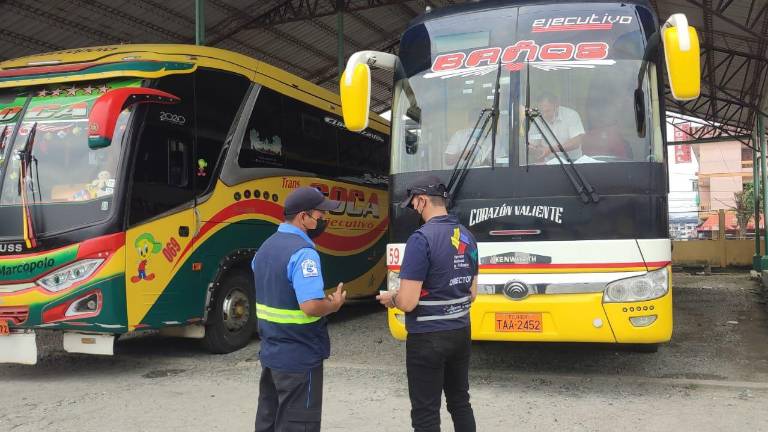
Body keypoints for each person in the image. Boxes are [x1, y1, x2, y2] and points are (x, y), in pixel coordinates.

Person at [377, 175, 478, 432]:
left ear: (422, 200)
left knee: (426, 413)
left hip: (428, 337)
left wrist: (393, 298)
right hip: (460, 331)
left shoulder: (420, 239)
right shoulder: (467, 236)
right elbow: (472, 293)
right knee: (460, 401)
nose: (413, 209)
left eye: (413, 204)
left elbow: (408, 302)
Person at [252, 186, 347, 432]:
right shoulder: (304, 254)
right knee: (298, 425)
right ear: (303, 217)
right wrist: (333, 304)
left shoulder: (265, 247)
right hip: (299, 359)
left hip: (271, 355)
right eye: (320, 215)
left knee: (269, 422)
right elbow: (310, 305)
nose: (324, 220)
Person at [528, 92, 599, 164]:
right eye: (541, 111)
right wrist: (533, 149)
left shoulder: (571, 115)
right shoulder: (537, 121)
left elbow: (576, 142)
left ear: (556, 105)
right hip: (549, 162)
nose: (544, 115)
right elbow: (533, 142)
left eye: (547, 111)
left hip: (573, 162)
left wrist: (550, 149)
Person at [444, 109, 510, 168]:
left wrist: (488, 162)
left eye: (481, 123)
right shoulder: (459, 136)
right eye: (475, 123)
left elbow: (502, 162)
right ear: (469, 122)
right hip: (463, 176)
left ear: (485, 122)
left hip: (488, 174)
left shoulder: (493, 138)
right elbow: (448, 161)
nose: (478, 126)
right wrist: (461, 155)